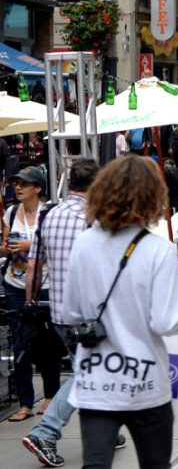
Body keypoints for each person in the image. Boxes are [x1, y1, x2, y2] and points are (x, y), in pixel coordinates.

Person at [62, 156, 178, 467]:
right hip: (145, 383)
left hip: (96, 382)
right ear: (152, 196)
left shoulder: (83, 244)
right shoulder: (159, 250)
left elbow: (71, 313)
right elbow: (165, 321)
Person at [22, 160, 121, 468]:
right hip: (91, 314)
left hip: (59, 310)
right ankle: (45, 432)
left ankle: (108, 427)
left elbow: (33, 267)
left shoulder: (49, 215)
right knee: (87, 373)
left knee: (96, 370)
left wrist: (30, 304)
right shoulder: (97, 218)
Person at [2, 166, 60, 423]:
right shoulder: (11, 212)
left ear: (38, 188)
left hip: (44, 285)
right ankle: (26, 401)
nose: (18, 188)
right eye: (16, 183)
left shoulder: (49, 215)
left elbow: (58, 248)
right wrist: (7, 248)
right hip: (15, 283)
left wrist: (30, 246)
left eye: (24, 184)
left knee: (47, 343)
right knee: (20, 345)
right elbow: (4, 248)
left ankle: (51, 395)